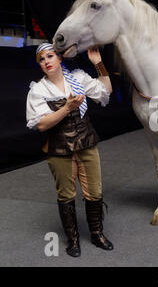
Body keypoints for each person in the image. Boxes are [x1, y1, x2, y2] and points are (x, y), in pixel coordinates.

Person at [26, 43, 114, 257]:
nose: (46, 61)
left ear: (59, 58)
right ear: (39, 65)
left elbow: (106, 91)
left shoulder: (78, 78)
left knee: (94, 191)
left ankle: (97, 233)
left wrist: (99, 64)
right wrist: (67, 108)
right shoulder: (38, 90)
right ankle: (73, 239)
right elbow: (41, 125)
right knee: (66, 195)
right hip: (59, 147)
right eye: (42, 59)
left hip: (86, 142)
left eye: (50, 56)